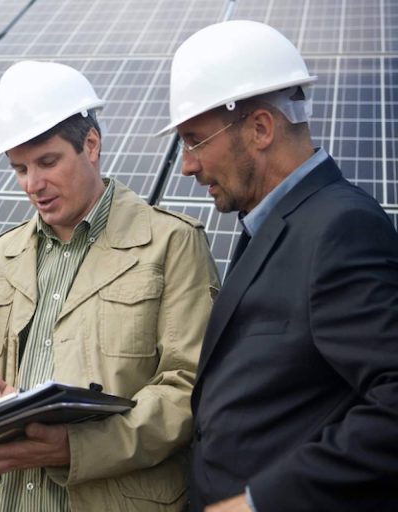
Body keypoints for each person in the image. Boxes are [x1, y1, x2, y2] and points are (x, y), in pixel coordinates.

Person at [0, 60, 220, 512]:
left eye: (47, 162)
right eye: (19, 168)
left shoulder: (171, 244)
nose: (33, 184)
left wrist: (77, 447)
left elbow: (188, 388)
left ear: (91, 144)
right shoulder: (1, 255)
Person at [156, 19, 398, 512]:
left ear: (261, 128)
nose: (186, 164)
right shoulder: (272, 226)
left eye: (195, 139)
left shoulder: (340, 228)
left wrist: (259, 502)